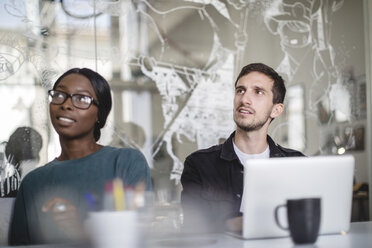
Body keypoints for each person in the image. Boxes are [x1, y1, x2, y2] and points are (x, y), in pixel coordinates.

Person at [9, 68, 152, 245]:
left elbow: (141, 239)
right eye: (59, 94)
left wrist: (78, 230)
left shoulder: (126, 162)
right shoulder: (33, 182)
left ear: (100, 115)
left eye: (82, 98)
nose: (66, 104)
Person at [180, 63, 305, 233]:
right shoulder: (199, 164)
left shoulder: (297, 164)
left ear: (276, 110)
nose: (244, 99)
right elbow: (192, 228)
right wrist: (243, 223)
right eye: (240, 90)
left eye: (258, 92)